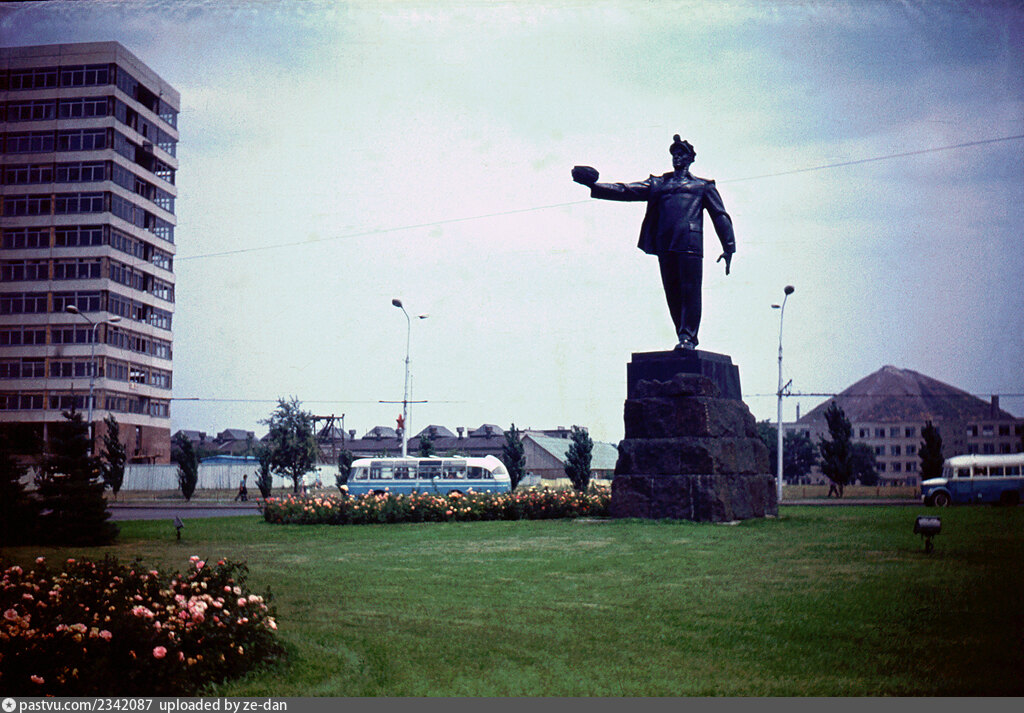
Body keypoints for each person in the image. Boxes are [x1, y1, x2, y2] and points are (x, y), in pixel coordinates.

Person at [572, 135, 735, 350]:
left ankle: (688, 336)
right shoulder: (659, 184)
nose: (677, 157)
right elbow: (626, 190)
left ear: (691, 158)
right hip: (665, 243)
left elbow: (720, 215)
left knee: (690, 291)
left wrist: (729, 246)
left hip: (689, 243)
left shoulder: (702, 186)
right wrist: (594, 185)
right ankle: (682, 336)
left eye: (681, 153)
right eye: (674, 154)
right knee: (672, 292)